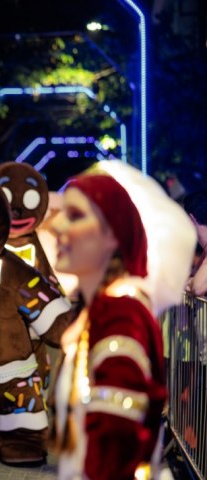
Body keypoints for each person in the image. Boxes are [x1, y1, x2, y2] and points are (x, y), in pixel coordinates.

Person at [49, 161, 195, 480]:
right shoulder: (105, 307)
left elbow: (117, 442)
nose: (57, 227)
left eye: (75, 216)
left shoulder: (120, 314)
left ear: (113, 235)